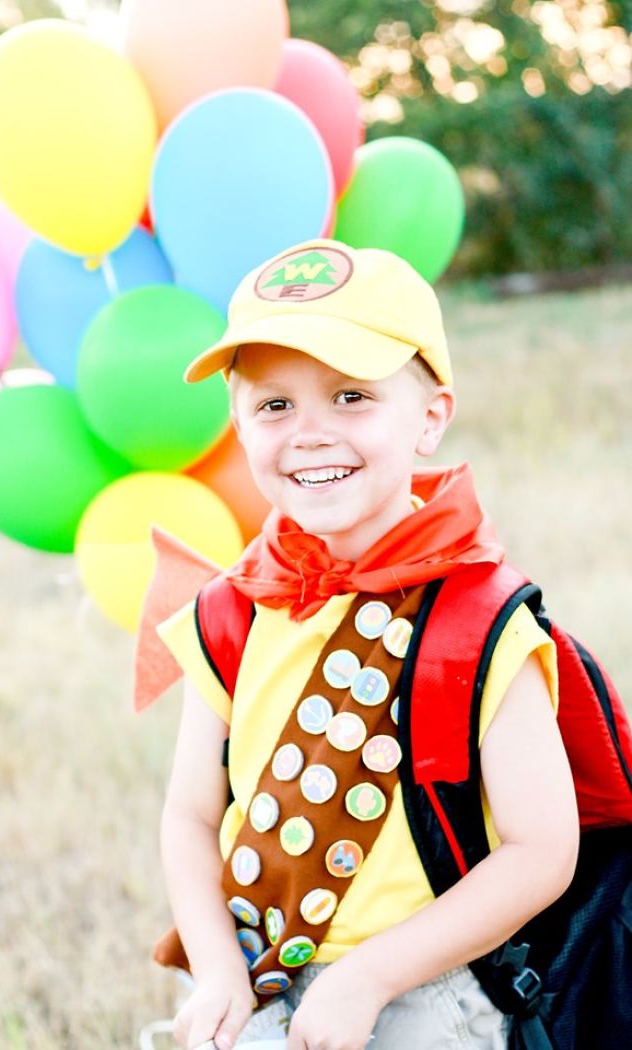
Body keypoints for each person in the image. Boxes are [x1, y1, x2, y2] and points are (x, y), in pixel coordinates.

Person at [154, 239, 579, 1050]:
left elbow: (541, 850)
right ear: (239, 425)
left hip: (424, 993)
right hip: (254, 972)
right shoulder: (232, 611)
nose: (310, 433)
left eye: (351, 396)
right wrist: (215, 971)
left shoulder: (480, 623)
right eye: (274, 405)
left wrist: (369, 977)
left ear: (430, 417)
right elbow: (188, 814)